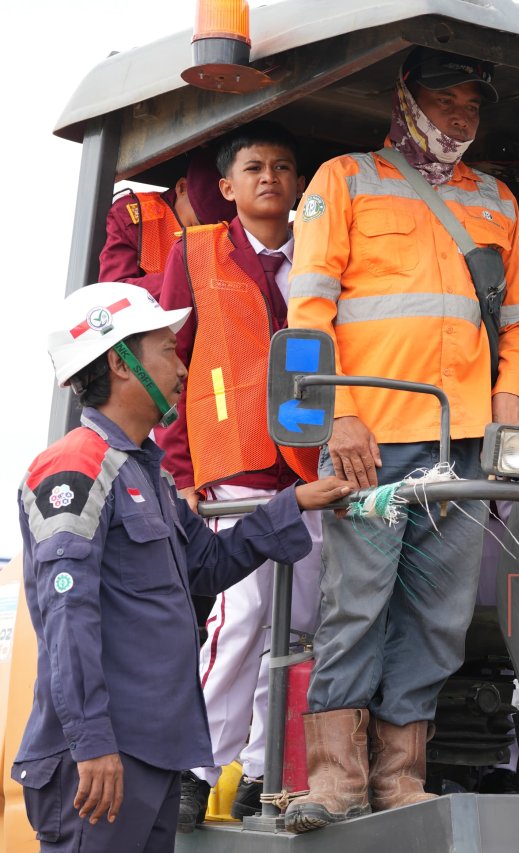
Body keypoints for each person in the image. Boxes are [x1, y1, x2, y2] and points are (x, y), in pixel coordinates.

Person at [283, 47, 519, 832]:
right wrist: (336, 413)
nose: (461, 116)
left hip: (461, 445)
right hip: (368, 441)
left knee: (438, 616)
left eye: (472, 105)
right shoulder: (344, 179)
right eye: (445, 99)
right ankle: (335, 779)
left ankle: (400, 779)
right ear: (406, 99)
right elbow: (309, 312)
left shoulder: (496, 200)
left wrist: (510, 392)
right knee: (357, 606)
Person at [9, 282, 352, 852]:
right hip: (101, 762)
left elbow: (208, 565)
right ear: (121, 364)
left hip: (153, 755)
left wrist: (292, 504)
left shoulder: (148, 474)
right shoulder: (76, 468)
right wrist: (92, 744)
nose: (183, 367)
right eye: (168, 350)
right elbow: (68, 617)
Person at [153, 121, 324, 831]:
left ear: (299, 183)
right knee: (244, 616)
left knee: (300, 624)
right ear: (226, 185)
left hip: (309, 467)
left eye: (283, 166)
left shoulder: (319, 252)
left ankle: (260, 771)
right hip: (233, 464)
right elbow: (168, 360)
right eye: (254, 167)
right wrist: (179, 468)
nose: (270, 178)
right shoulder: (194, 251)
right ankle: (193, 770)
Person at [98, 148, 236, 297]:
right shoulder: (134, 217)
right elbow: (113, 292)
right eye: (196, 225)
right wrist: (185, 280)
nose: (202, 236)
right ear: (182, 188)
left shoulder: (234, 232)